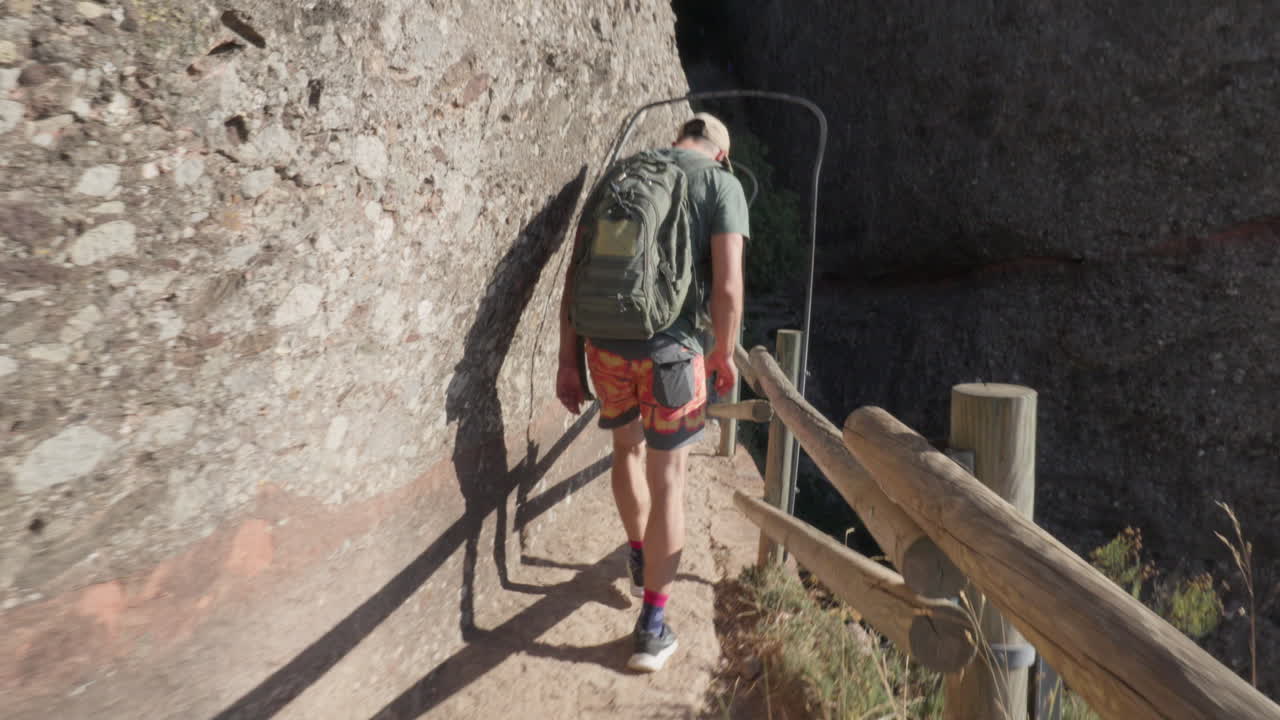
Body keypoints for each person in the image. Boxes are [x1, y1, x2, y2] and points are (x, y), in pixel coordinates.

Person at [555, 112, 749, 672]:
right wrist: (723, 352)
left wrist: (568, 360)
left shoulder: (624, 174)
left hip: (604, 347)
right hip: (671, 353)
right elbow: (728, 286)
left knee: (626, 450)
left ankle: (639, 555)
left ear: (679, 138)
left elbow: (576, 274)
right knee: (670, 481)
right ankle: (652, 627)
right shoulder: (721, 184)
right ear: (720, 153)